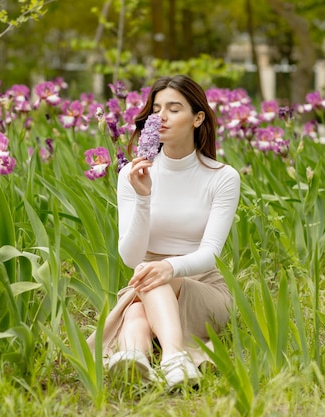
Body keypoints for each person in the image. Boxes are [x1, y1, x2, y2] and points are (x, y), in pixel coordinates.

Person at [86, 75, 241, 390]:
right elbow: (130, 257)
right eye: (156, 109)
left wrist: (169, 267)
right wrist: (143, 197)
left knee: (151, 278)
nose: (162, 117)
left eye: (174, 109)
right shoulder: (131, 174)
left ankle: (160, 355)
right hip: (145, 280)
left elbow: (211, 251)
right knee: (142, 296)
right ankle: (146, 360)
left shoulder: (222, 177)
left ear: (198, 118)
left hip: (203, 288)